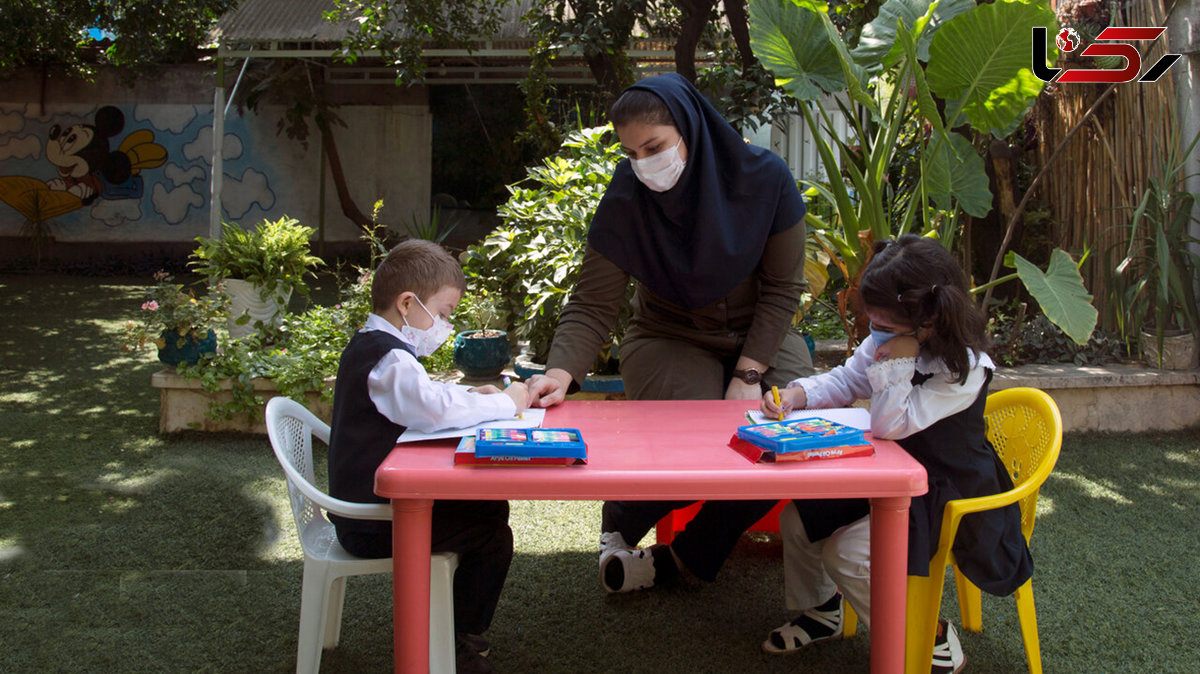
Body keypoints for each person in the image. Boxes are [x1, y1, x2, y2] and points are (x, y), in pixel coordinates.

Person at [524, 73, 814, 594]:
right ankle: (626, 512)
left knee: (787, 441)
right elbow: (593, 302)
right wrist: (560, 371)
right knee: (697, 437)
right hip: (668, 335)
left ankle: (684, 558)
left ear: (689, 129)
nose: (645, 164)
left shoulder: (765, 179)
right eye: (632, 152)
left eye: (654, 146)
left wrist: (749, 372)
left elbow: (781, 290)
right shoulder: (628, 197)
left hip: (762, 332)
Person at [758, 235, 1033, 674]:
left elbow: (890, 423)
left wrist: (896, 363)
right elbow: (849, 381)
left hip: (944, 490)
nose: (875, 331)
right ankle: (823, 611)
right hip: (889, 475)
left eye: (884, 324)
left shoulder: (965, 367)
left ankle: (930, 635)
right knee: (799, 519)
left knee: (846, 553)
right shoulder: (891, 334)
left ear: (929, 320)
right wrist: (797, 394)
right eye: (873, 321)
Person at [327, 239, 530, 673]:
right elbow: (433, 409)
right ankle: (456, 641)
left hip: (364, 510)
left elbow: (425, 400)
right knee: (491, 530)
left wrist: (467, 394)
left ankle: (452, 629)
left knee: (487, 511)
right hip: (371, 523)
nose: (444, 324)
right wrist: (508, 403)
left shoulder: (376, 346)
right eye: (442, 314)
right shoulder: (389, 360)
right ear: (407, 303)